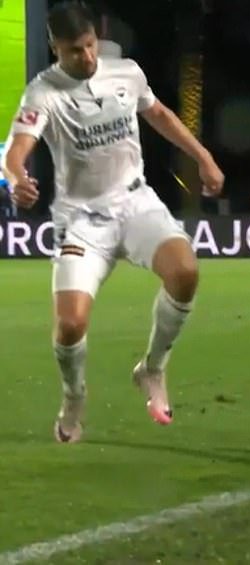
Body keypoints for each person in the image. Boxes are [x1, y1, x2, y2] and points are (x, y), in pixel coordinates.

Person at [1, 2, 224, 443]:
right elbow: (15, 152)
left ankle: (152, 369)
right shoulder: (43, 92)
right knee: (70, 326)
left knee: (185, 272)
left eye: (88, 47)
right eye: (73, 52)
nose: (85, 58)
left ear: (94, 38)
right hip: (81, 220)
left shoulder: (125, 72)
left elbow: (159, 115)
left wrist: (204, 158)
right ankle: (74, 396)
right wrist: (14, 180)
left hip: (135, 202)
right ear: (54, 49)